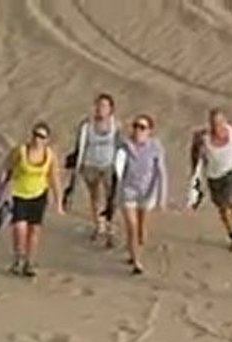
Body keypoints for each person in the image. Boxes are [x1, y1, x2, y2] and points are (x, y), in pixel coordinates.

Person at [0, 121, 64, 278]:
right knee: (20, 228)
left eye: (41, 136)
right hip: (19, 194)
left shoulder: (49, 155)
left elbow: (54, 178)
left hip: (39, 195)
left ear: (46, 139)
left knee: (34, 231)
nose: (37, 139)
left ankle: (29, 261)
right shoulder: (21, 151)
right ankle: (18, 257)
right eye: (35, 135)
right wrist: (1, 180)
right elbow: (7, 166)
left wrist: (59, 201)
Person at [189, 107, 232, 257]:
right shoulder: (203, 138)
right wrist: (195, 170)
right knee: (223, 209)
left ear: (225, 121)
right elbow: (194, 152)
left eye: (220, 123)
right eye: (214, 124)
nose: (217, 127)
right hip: (214, 177)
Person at [111, 113, 168, 275]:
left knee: (142, 230)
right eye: (135, 126)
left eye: (142, 127)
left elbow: (161, 172)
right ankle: (136, 261)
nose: (138, 130)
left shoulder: (155, 147)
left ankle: (136, 248)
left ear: (149, 131)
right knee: (132, 227)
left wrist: (162, 198)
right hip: (128, 191)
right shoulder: (125, 146)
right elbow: (118, 167)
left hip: (148, 192)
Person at [64, 93, 122, 245]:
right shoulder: (86, 126)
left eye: (104, 106)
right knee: (95, 196)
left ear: (110, 109)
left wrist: (121, 166)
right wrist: (76, 164)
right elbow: (80, 145)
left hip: (109, 165)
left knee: (111, 197)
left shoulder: (116, 126)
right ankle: (99, 226)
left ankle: (110, 226)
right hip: (90, 165)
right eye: (98, 105)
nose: (100, 109)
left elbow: (120, 146)